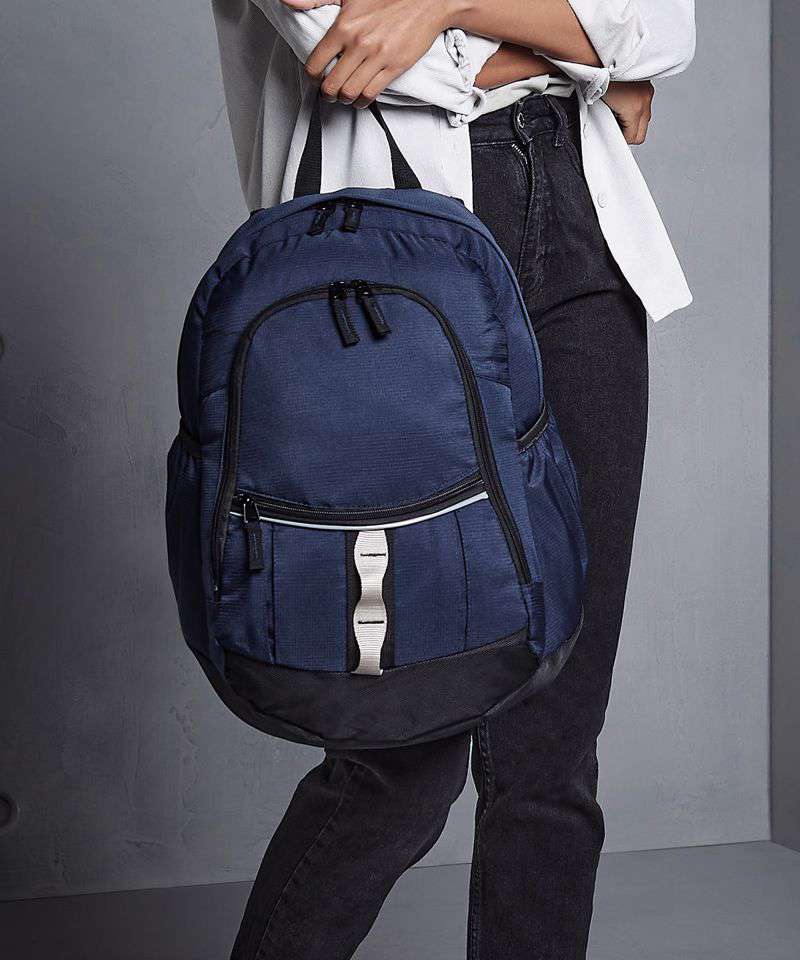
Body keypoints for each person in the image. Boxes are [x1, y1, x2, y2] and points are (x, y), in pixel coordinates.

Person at [211, 2, 696, 957]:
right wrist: (581, 55)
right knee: (401, 749)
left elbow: (661, 27)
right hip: (380, 265)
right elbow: (364, 56)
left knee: (556, 738)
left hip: (580, 230)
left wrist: (439, 6)